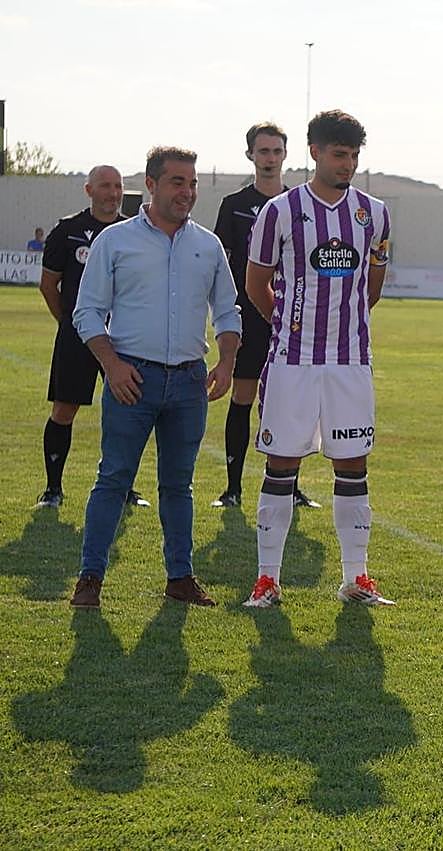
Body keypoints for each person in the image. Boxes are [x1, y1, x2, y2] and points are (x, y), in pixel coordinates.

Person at [68, 146, 241, 609]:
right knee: (113, 479)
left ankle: (180, 578)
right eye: (177, 182)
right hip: (132, 378)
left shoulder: (208, 244)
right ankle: (90, 580)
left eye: (192, 183)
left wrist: (226, 362)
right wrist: (112, 364)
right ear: (151, 183)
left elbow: (227, 309)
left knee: (178, 485)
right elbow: (86, 313)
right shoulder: (115, 241)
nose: (187, 192)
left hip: (189, 383)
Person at [242, 109, 393, 608]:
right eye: (338, 154)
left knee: (353, 463)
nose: (346, 164)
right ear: (314, 152)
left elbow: (372, 285)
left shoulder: (375, 212)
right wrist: (293, 323)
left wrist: (344, 322)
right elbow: (256, 285)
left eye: (353, 156)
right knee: (282, 463)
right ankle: (267, 579)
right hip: (293, 362)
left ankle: (356, 578)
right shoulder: (280, 212)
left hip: (350, 362)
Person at [210, 122, 317, 511]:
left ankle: (292, 486)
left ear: (287, 155)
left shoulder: (302, 205)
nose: (269, 158)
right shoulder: (234, 205)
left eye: (276, 151)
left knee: (292, 403)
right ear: (250, 156)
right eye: (263, 151)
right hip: (249, 316)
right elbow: (221, 263)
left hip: (292, 319)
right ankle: (233, 488)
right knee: (242, 398)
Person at [36, 166, 148, 511]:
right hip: (79, 338)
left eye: (118, 186)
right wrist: (70, 325)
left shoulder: (136, 231)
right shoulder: (68, 231)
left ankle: (125, 488)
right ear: (89, 190)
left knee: (128, 412)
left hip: (125, 339)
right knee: (64, 409)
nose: (113, 193)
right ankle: (53, 489)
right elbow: (49, 284)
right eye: (105, 186)